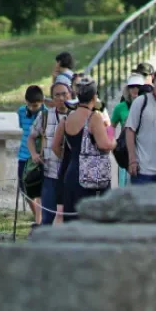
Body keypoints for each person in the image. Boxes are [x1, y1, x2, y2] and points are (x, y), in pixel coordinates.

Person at [51, 77, 115, 220]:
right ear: (94, 96)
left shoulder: (67, 118)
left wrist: (70, 157)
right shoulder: (94, 117)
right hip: (91, 176)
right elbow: (104, 145)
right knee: (92, 221)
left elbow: (55, 146)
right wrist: (114, 141)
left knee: (72, 219)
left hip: (71, 172)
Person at [27, 79, 71, 226]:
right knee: (48, 217)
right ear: (52, 98)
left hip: (71, 176)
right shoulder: (45, 116)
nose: (61, 98)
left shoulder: (77, 116)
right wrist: (34, 154)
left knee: (71, 217)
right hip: (50, 174)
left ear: (70, 94)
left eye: (64, 94)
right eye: (57, 95)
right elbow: (31, 137)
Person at [111, 74, 146, 187]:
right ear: (127, 89)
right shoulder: (120, 107)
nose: (135, 89)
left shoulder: (148, 105)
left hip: (144, 150)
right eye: (132, 86)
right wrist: (111, 143)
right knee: (124, 185)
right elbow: (112, 126)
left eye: (138, 86)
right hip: (125, 150)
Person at [18, 85, 45, 226]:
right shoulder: (21, 111)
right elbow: (23, 128)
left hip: (38, 156)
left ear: (42, 102)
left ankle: (39, 221)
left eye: (35, 105)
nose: (32, 108)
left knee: (39, 189)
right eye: (29, 105)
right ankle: (36, 215)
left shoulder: (46, 113)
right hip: (23, 155)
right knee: (24, 188)